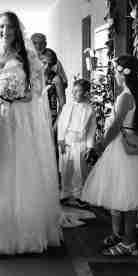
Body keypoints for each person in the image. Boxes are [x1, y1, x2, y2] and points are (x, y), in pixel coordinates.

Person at [0, 11, 62, 256]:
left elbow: (36, 92)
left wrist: (15, 94)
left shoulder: (28, 57)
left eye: (9, 27)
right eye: (1, 26)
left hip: (17, 122)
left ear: (17, 30)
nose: (5, 31)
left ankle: (20, 232)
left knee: (17, 172)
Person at [81, 54, 138, 257]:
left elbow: (115, 126)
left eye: (115, 70)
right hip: (130, 148)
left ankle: (129, 243)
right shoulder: (136, 93)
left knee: (127, 199)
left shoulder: (126, 96)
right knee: (124, 196)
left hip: (123, 150)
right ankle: (121, 235)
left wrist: (99, 146)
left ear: (123, 73)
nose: (114, 74)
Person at [57, 78, 96, 208]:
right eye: (73, 91)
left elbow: (91, 129)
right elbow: (61, 124)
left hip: (81, 143)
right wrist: (61, 139)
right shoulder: (67, 107)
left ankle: (79, 195)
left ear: (85, 93)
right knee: (66, 168)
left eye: (77, 91)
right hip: (67, 142)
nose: (73, 93)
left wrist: (90, 147)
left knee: (80, 170)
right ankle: (65, 193)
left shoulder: (90, 109)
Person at [42, 48, 66, 126]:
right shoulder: (33, 77)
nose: (46, 67)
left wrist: (56, 125)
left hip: (50, 120)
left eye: (50, 65)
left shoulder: (56, 79)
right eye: (44, 63)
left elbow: (62, 104)